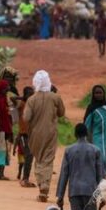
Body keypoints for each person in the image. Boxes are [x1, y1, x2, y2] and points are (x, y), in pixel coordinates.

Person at [56, 123, 104, 210]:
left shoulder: (69, 150)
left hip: (74, 191)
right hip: (91, 191)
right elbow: (100, 175)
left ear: (76, 134)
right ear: (86, 134)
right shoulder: (95, 150)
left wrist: (60, 195)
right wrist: (102, 196)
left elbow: (64, 173)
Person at [23, 71, 65, 201]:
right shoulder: (55, 97)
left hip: (35, 134)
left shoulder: (31, 99)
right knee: (47, 159)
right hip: (50, 133)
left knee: (39, 159)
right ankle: (44, 186)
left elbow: (26, 117)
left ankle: (42, 185)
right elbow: (61, 113)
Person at [83, 84, 106, 176]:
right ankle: (99, 176)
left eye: (100, 93)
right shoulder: (91, 108)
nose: (98, 95)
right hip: (97, 136)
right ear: (93, 94)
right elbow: (87, 123)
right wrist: (83, 136)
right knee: (100, 156)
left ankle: (104, 176)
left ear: (104, 94)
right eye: (96, 93)